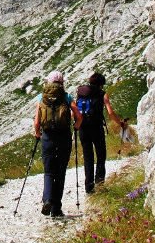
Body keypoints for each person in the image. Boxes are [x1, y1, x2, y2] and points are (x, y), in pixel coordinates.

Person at [33, 70, 81, 217]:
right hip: (64, 137)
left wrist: (37, 133)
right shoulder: (66, 97)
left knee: (48, 172)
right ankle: (56, 209)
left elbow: (37, 121)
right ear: (62, 82)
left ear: (48, 82)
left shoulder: (42, 97)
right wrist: (76, 125)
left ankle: (47, 199)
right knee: (60, 173)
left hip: (48, 137)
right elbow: (78, 116)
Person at [76, 71, 127, 194]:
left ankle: (89, 188)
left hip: (83, 128)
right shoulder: (102, 94)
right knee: (100, 156)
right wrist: (120, 123)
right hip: (97, 128)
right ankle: (99, 185)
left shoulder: (81, 93)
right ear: (101, 84)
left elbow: (76, 110)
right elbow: (110, 113)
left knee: (88, 157)